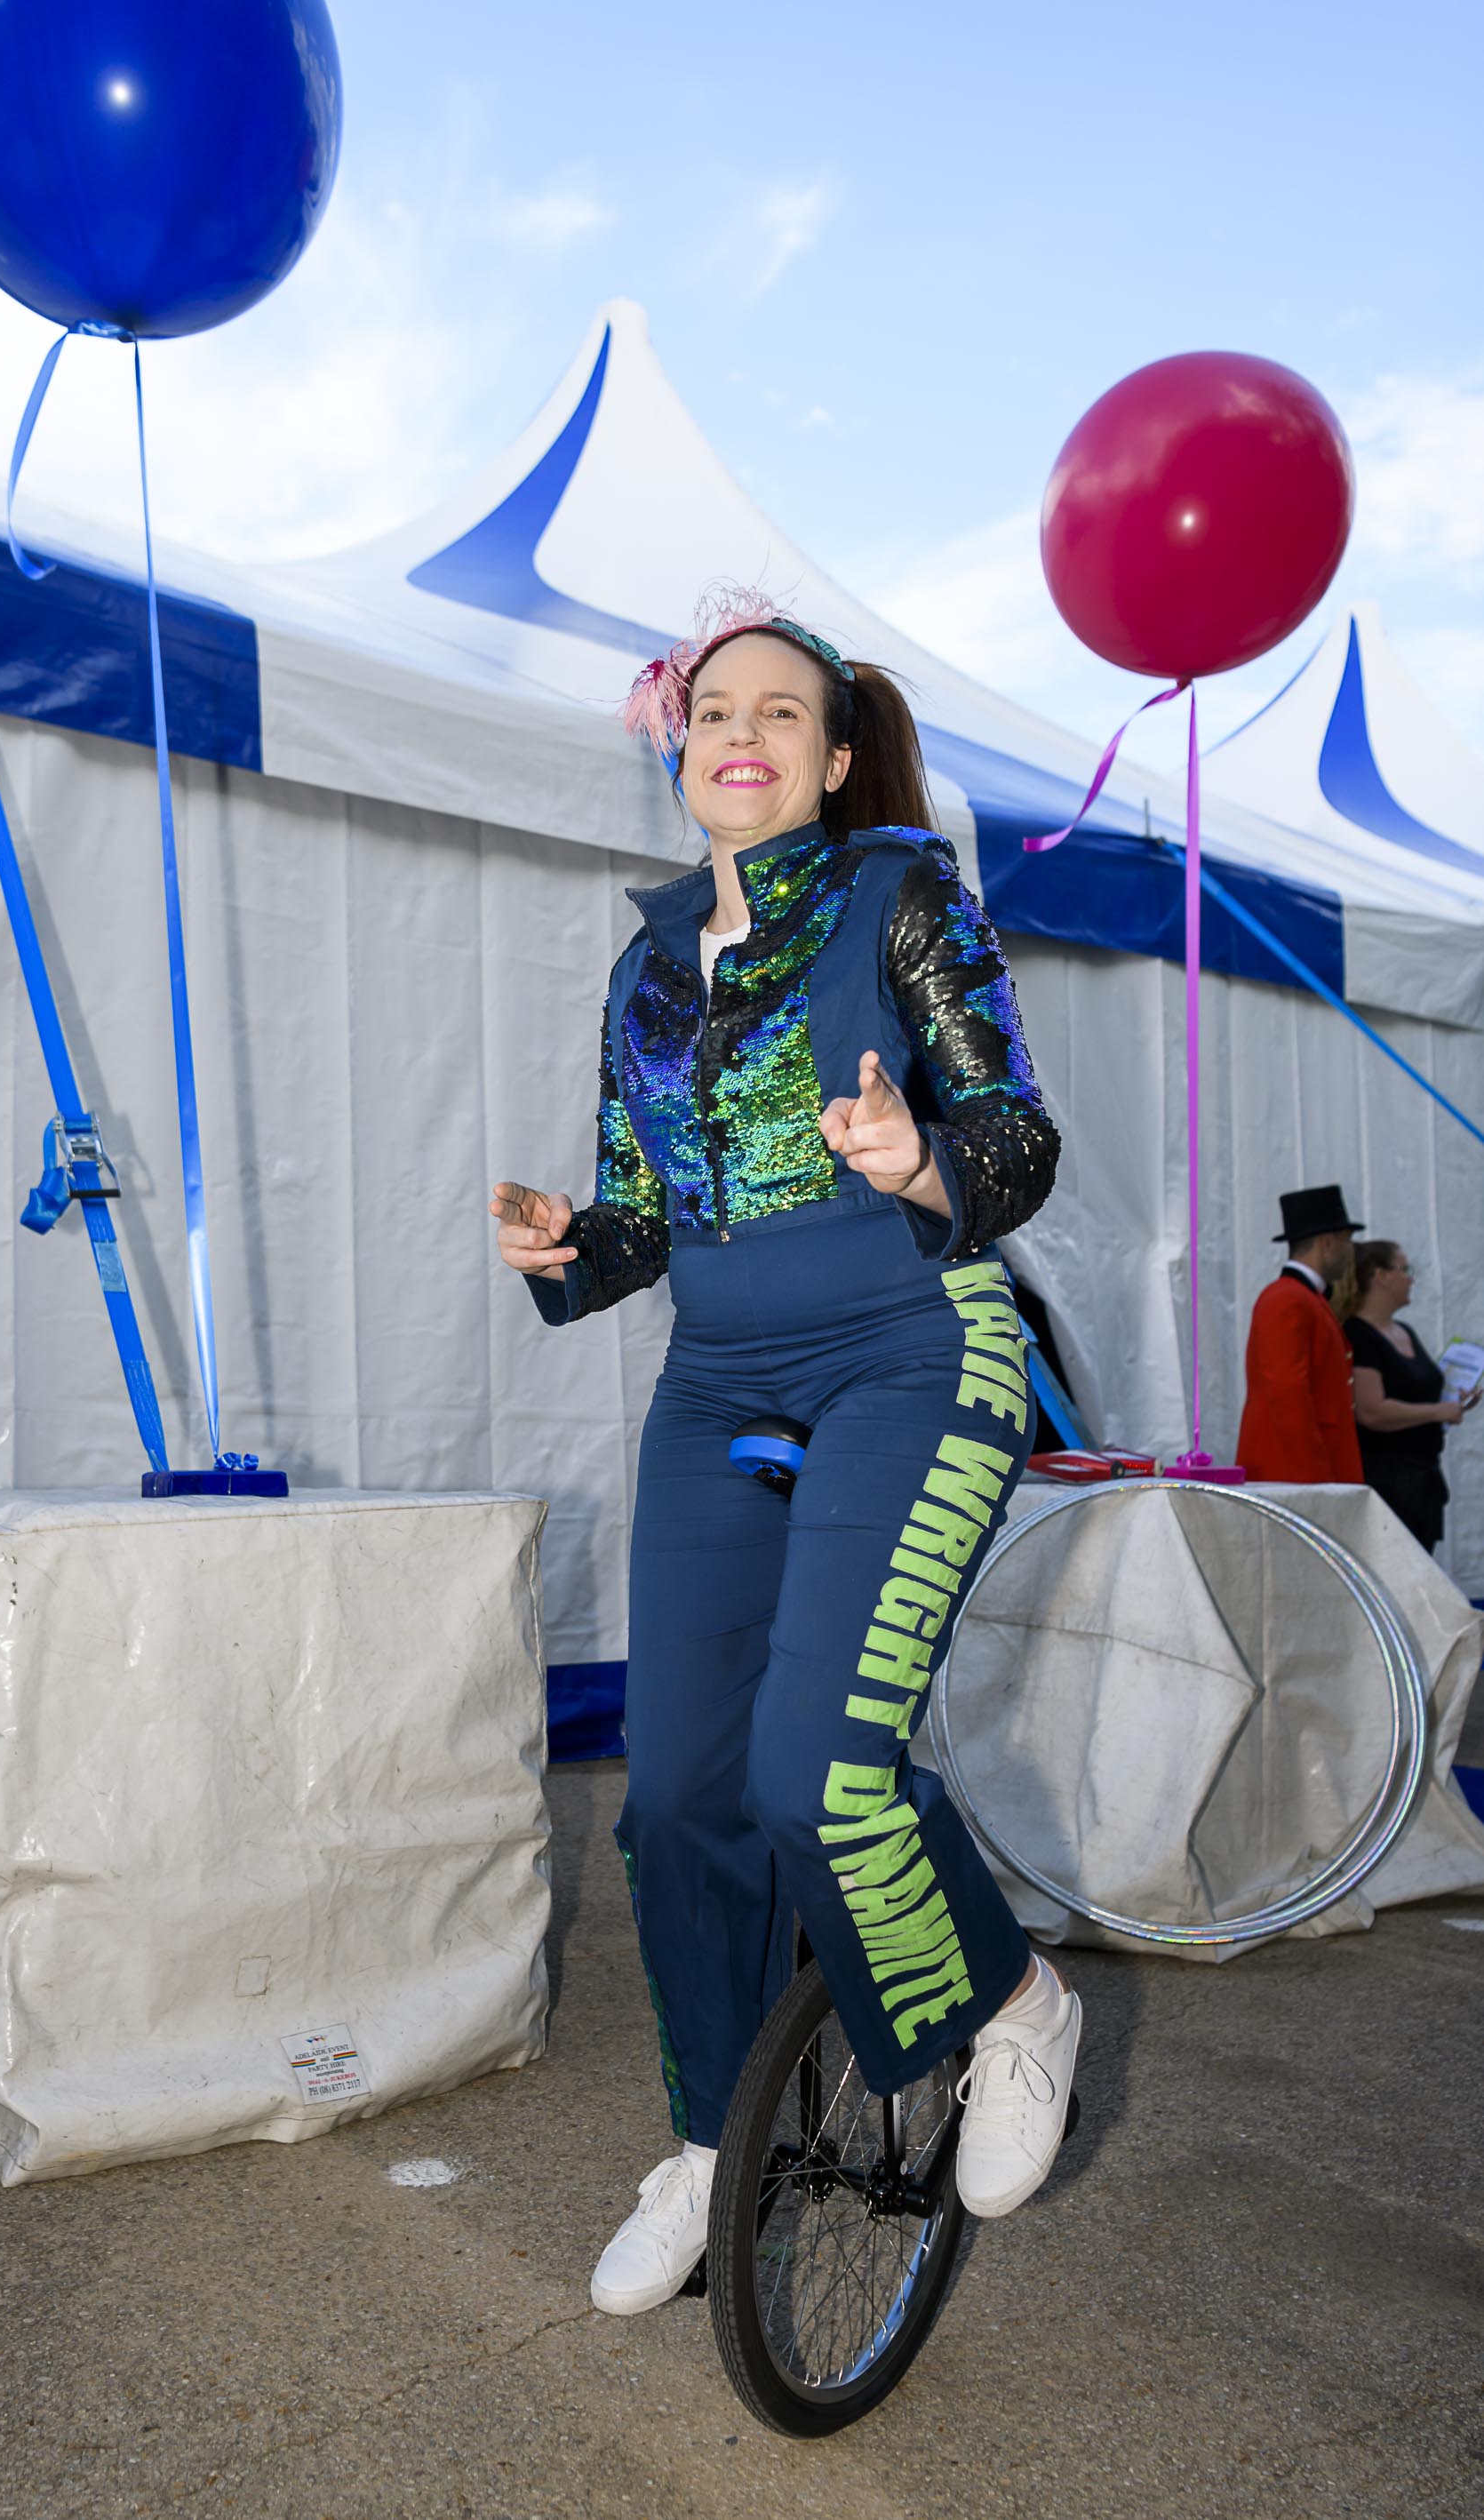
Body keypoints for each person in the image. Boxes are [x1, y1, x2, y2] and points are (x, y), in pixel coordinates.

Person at [490, 588, 1073, 2319]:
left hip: (913, 1349)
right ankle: (708, 2144)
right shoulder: (646, 968)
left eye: (780, 713)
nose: (738, 732)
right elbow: (648, 1218)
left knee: (822, 1769)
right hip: (722, 1383)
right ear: (681, 750)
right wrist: (568, 1242)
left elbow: (1015, 1136)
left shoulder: (900, 896)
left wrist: (917, 1156)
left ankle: (1013, 2003)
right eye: (714, 709)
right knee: (675, 1795)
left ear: (827, 763)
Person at [1341, 1240, 1478, 1549]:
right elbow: (1371, 1411)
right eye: (1405, 1269)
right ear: (1381, 1276)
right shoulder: (1358, 1334)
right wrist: (1437, 1412)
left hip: (1422, 1479)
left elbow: (1417, 1395)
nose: (1411, 1279)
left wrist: (1454, 1403)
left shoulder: (1404, 1330)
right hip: (1388, 1481)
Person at [1236, 1186, 1365, 1484]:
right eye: (1347, 1241)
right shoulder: (1288, 1299)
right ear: (1327, 1243)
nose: (1351, 1252)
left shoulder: (1305, 1298)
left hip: (1306, 1470)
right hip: (1294, 1472)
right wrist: (1317, 1481)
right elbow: (1287, 1394)